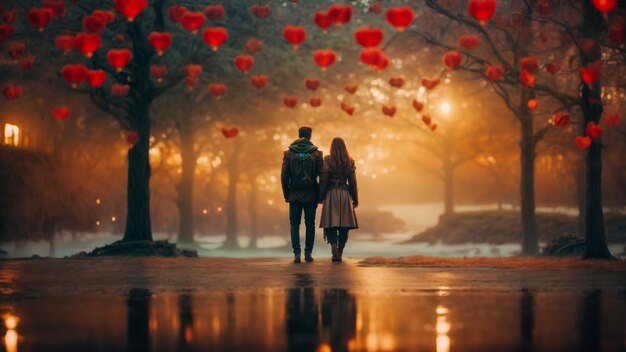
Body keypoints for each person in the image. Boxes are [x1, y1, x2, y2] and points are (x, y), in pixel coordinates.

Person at [281, 126, 324, 263]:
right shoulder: (317, 153)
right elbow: (322, 176)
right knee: (310, 224)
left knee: (294, 224)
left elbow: (284, 175)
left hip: (294, 194)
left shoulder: (289, 153)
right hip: (311, 194)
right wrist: (320, 194)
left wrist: (286, 193)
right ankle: (308, 254)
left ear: (298, 135)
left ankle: (296, 254)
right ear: (310, 136)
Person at [319, 137, 358, 263]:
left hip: (331, 194)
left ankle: (334, 249)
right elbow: (353, 182)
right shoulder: (349, 161)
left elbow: (324, 180)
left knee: (331, 224)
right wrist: (355, 199)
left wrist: (321, 196)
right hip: (345, 195)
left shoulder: (327, 159)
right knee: (344, 225)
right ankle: (340, 252)